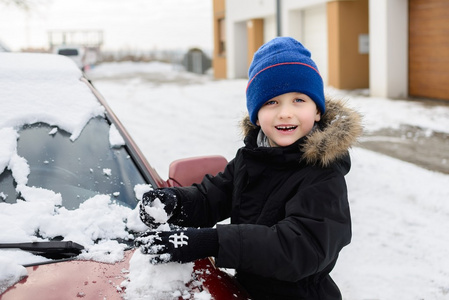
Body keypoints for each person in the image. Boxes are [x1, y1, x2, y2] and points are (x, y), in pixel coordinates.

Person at [135, 37, 362, 300]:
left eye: (299, 100)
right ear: (256, 115)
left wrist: (213, 241)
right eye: (271, 102)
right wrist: (176, 202)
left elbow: (300, 248)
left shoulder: (323, 174)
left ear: (318, 111)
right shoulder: (252, 159)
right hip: (245, 291)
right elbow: (213, 197)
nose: (285, 113)